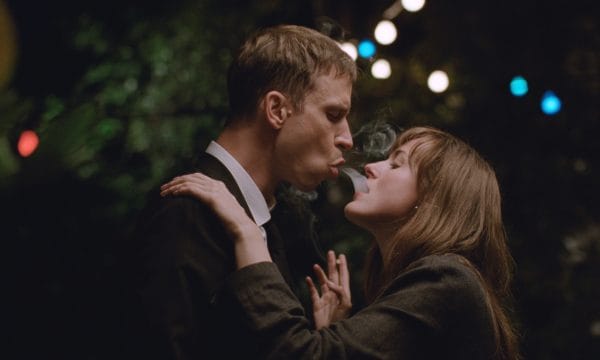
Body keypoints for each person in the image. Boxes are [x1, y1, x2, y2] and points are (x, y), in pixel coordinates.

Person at [160, 126, 521, 359]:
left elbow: (296, 355)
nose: (371, 168)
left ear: (434, 199)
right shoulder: (438, 283)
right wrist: (332, 337)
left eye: (397, 165)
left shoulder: (447, 280)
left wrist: (248, 234)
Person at [126, 24, 357, 359]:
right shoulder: (186, 212)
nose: (347, 138)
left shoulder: (261, 219)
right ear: (277, 109)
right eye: (333, 115)